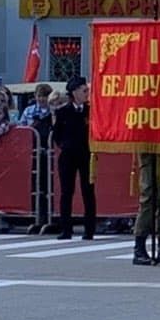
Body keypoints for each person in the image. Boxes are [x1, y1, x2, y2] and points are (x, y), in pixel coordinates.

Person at [52, 77, 96, 240]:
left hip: (86, 154)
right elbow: (57, 134)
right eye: (84, 91)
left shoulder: (91, 111)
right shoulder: (63, 112)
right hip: (68, 155)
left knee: (88, 191)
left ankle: (89, 229)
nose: (86, 94)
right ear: (74, 92)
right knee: (66, 192)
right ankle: (66, 229)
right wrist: (64, 145)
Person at [21, 83, 53, 233]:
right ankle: (37, 217)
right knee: (36, 187)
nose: (41, 99)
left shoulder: (54, 112)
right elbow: (21, 130)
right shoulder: (28, 111)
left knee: (49, 187)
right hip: (33, 155)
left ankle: (49, 217)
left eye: (45, 96)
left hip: (50, 155)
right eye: (39, 95)